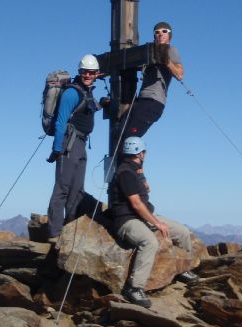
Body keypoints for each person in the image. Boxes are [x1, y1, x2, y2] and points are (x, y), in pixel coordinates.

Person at [108, 136, 198, 307]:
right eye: (144, 152)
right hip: (127, 219)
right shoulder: (125, 172)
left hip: (144, 215)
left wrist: (143, 181)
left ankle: (182, 269)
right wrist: (157, 224)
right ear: (140, 153)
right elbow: (136, 204)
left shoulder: (135, 170)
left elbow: (143, 192)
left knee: (182, 232)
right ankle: (134, 288)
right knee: (149, 242)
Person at [46, 54, 102, 240]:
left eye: (92, 72)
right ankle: (55, 233)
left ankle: (70, 229)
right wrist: (56, 148)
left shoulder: (86, 92)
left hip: (81, 143)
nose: (88, 75)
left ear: (96, 74)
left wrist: (101, 104)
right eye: (85, 72)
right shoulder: (71, 93)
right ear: (79, 72)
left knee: (77, 189)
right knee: (62, 187)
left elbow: (87, 109)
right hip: (69, 143)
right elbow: (61, 121)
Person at [122, 21, 184, 142]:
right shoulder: (149, 51)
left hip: (153, 101)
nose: (160, 34)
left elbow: (180, 74)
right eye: (157, 32)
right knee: (121, 134)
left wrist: (167, 62)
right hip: (141, 101)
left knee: (129, 140)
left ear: (169, 35)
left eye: (164, 31)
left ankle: (130, 159)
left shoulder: (170, 49)